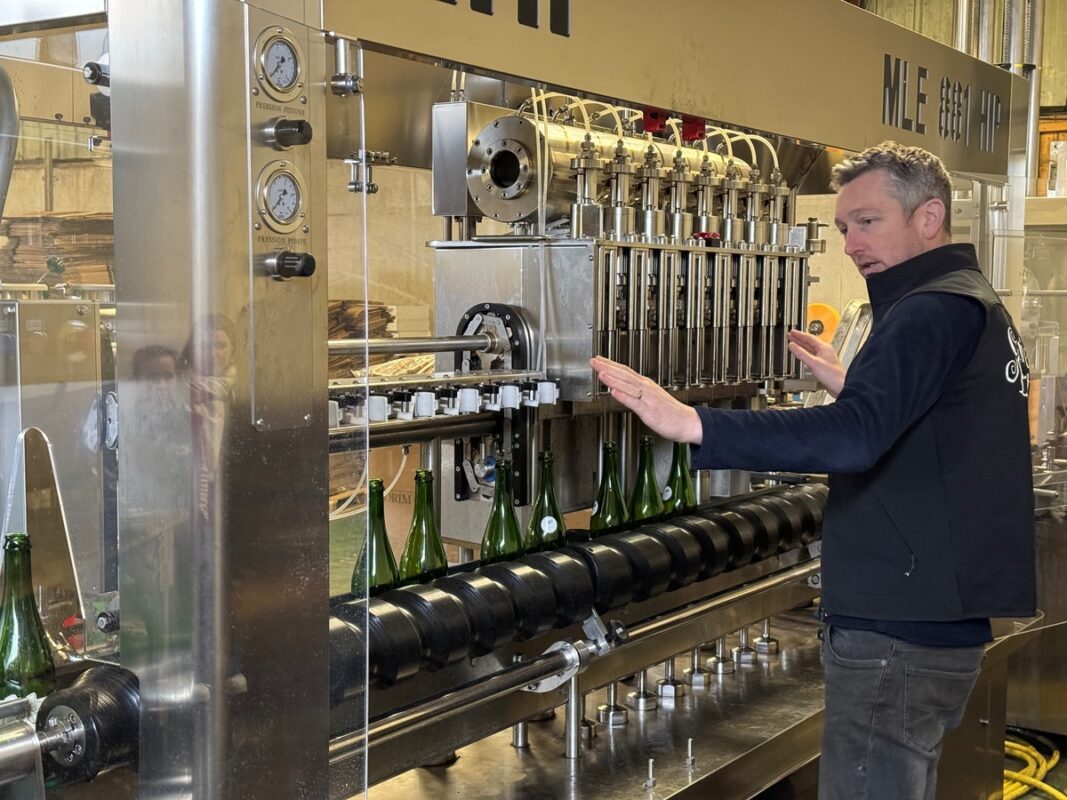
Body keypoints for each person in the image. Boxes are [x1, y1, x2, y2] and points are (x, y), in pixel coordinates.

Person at [590, 141, 1036, 800]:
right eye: (842, 227)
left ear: (929, 216)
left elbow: (854, 439)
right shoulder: (968, 301)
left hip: (895, 629)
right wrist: (859, 383)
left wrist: (696, 423)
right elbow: (925, 424)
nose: (851, 243)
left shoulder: (927, 311)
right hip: (933, 619)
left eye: (868, 222)